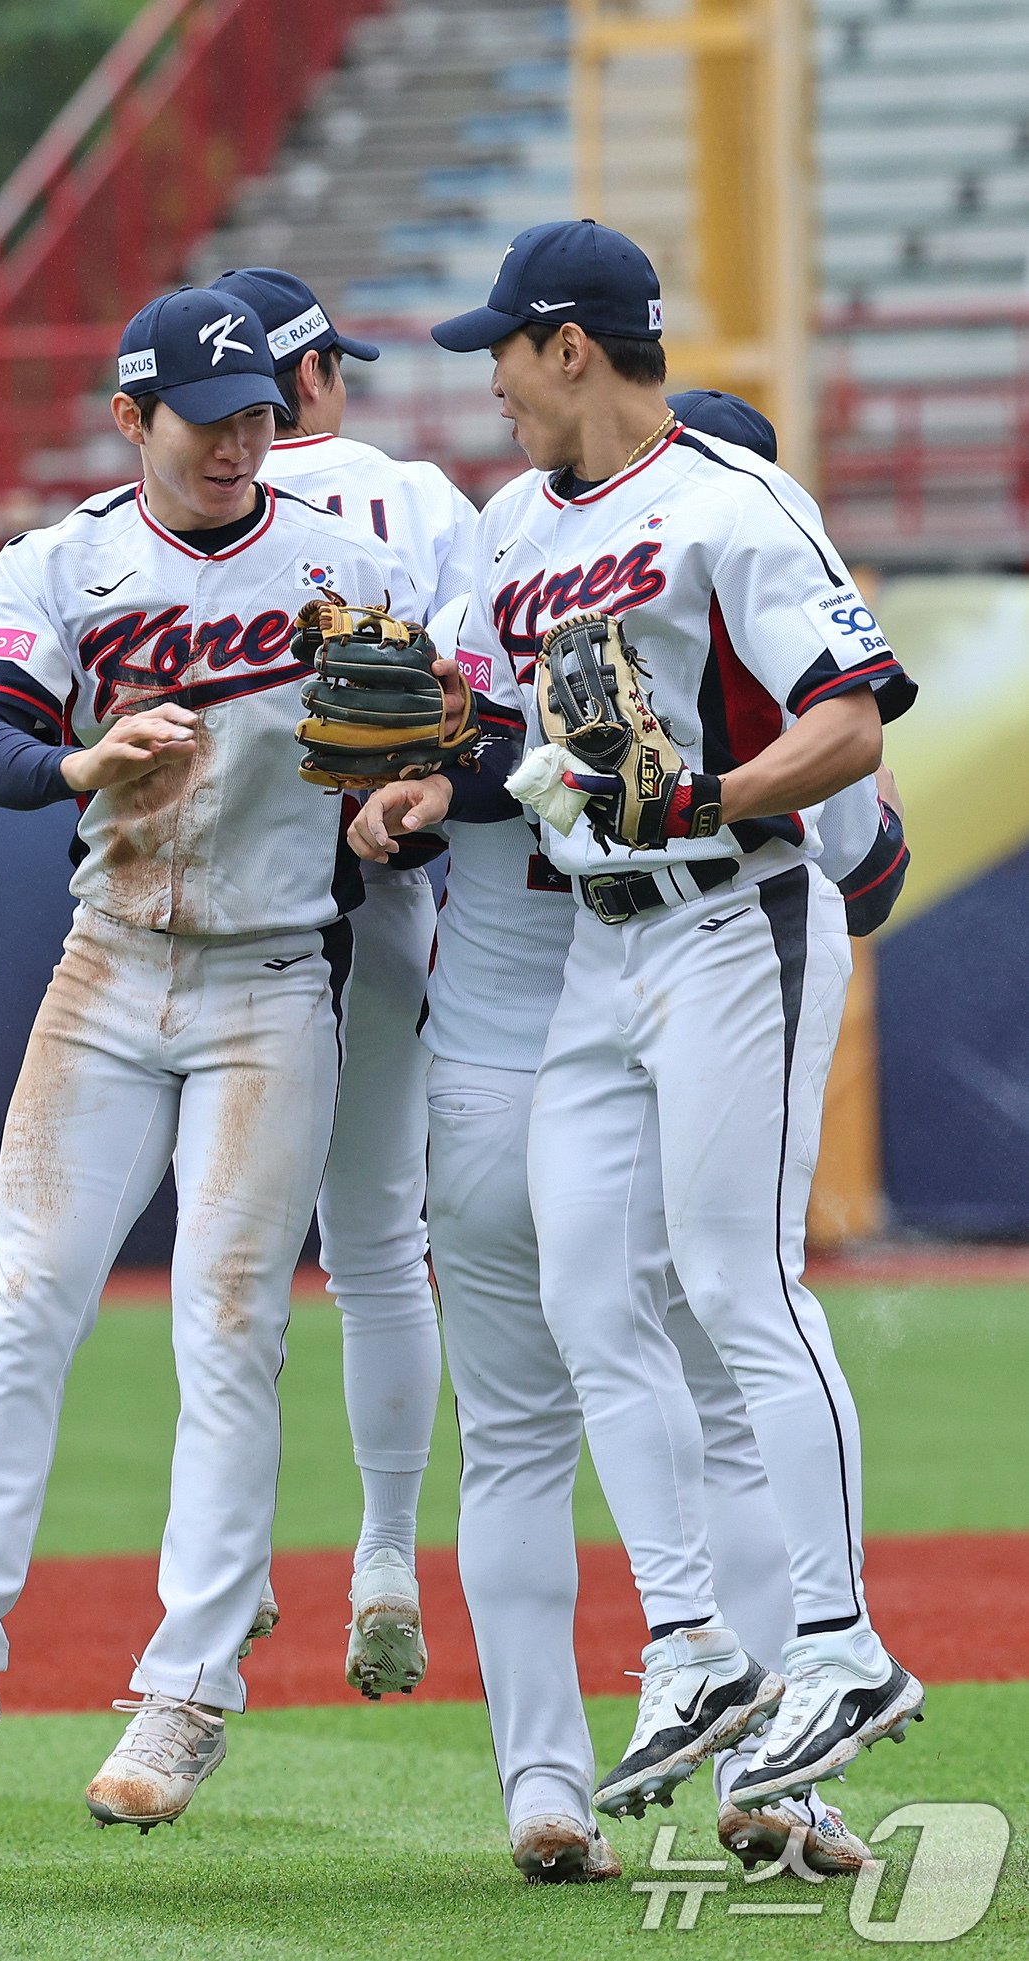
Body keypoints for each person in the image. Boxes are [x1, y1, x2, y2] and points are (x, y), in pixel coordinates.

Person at [0, 265, 481, 1701]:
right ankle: (377, 1558)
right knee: (365, 1258)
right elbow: (475, 690)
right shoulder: (411, 502)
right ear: (317, 378)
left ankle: (215, 1638)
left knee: (230, 1308)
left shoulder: (202, 536)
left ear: (275, 398)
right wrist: (426, 777)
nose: (253, 429)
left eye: (259, 403)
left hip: (289, 940)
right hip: (350, 912)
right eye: (221, 409)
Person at [353, 219, 923, 1828]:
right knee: (597, 1285)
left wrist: (715, 798)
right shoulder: (521, 526)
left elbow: (853, 712)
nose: (494, 386)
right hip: (599, 945)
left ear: (571, 346)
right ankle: (694, 1642)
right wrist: (428, 772)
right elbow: (503, 732)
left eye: (503, 354)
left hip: (736, 916)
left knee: (739, 1279)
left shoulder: (730, 503)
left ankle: (838, 1640)